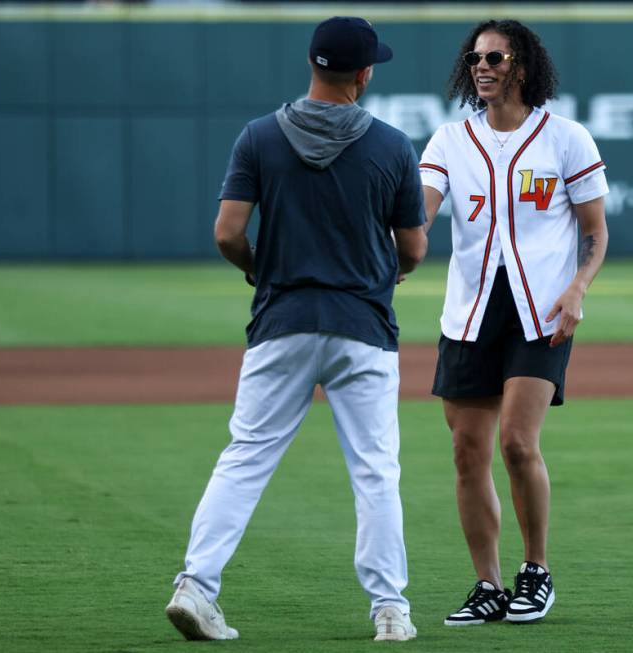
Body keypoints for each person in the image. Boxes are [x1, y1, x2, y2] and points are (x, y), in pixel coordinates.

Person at [165, 16, 427, 643]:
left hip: (281, 320)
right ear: (363, 74)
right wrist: (383, 274)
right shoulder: (392, 145)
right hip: (361, 323)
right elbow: (413, 248)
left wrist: (265, 271)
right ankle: (390, 610)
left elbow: (228, 233)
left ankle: (196, 588)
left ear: (314, 66)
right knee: (375, 471)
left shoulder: (259, 137)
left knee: (246, 458)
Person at [418, 19, 609, 625]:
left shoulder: (566, 137)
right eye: (475, 57)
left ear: (521, 65)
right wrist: (397, 245)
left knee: (516, 442)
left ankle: (536, 571)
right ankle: (488, 584)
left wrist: (578, 289)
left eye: (496, 56)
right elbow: (419, 216)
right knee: (467, 451)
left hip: (540, 310)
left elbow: (596, 231)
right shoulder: (450, 139)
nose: (483, 66)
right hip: (469, 313)